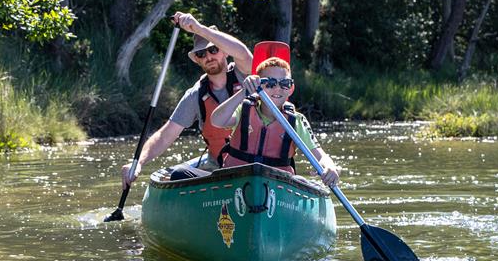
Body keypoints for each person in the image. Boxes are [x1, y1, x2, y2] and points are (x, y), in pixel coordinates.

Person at [121, 12, 252, 189]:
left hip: (254, 163)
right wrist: (138, 162)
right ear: (197, 60)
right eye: (201, 54)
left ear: (224, 53)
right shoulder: (195, 95)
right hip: (219, 167)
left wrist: (198, 29)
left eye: (213, 50)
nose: (208, 57)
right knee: (178, 175)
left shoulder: (244, 74)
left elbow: (243, 53)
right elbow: (165, 135)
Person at [211, 56, 340, 187]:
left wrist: (330, 167)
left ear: (291, 88)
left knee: (303, 181)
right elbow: (216, 121)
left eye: (284, 83)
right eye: (270, 83)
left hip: (277, 185)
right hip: (235, 180)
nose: (277, 88)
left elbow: (319, 155)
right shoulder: (244, 110)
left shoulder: (296, 120)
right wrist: (244, 92)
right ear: (258, 86)